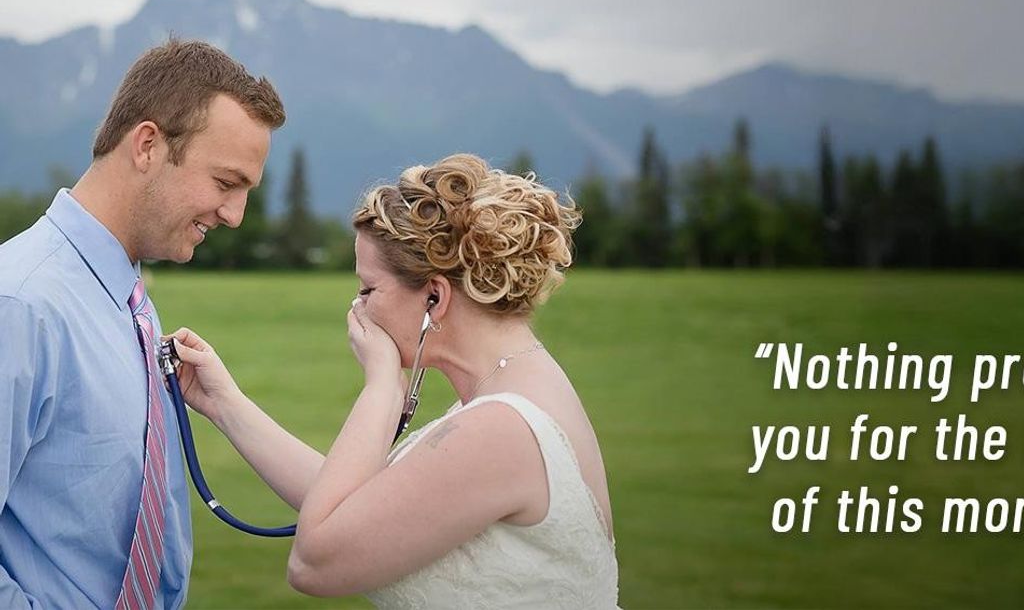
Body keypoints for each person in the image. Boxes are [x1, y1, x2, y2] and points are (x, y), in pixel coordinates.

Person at [168, 153, 620, 608]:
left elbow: (315, 561)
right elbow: (357, 509)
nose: (357, 309)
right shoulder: (511, 393)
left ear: (434, 296)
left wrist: (382, 387)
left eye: (369, 290)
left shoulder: (502, 428)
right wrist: (224, 402)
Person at [0, 39, 285, 609]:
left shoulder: (126, 296)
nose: (235, 215)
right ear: (148, 146)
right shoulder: (20, 304)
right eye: (226, 183)